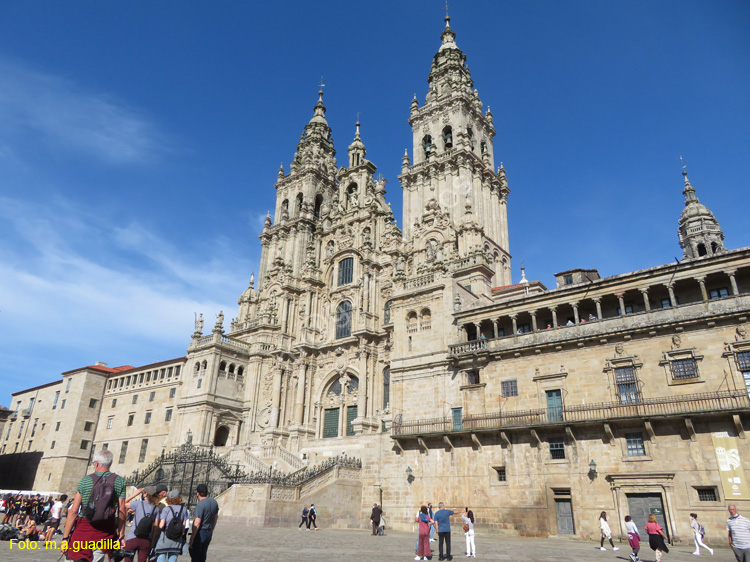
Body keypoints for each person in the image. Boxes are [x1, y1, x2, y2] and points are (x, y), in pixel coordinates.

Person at [61, 449, 127, 562]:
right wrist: (120, 535)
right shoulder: (119, 481)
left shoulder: (86, 480)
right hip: (106, 530)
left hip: (83, 528)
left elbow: (73, 511)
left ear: (96, 463)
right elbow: (122, 509)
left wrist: (65, 538)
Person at [123, 486, 160, 562]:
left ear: (146, 494)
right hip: (146, 540)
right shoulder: (156, 508)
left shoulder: (138, 504)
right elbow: (156, 526)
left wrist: (135, 494)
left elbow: (123, 504)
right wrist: (152, 541)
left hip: (133, 537)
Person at [154, 490, 190, 562]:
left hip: (165, 537)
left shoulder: (166, 509)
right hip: (177, 538)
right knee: (173, 558)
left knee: (161, 556)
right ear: (179, 498)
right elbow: (183, 525)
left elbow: (161, 525)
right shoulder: (184, 509)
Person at [188, 484, 219, 562]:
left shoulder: (201, 504)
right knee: (203, 555)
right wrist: (212, 530)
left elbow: (197, 522)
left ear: (198, 493)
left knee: (196, 556)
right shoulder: (214, 502)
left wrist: (192, 538)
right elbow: (215, 517)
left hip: (200, 533)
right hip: (208, 532)